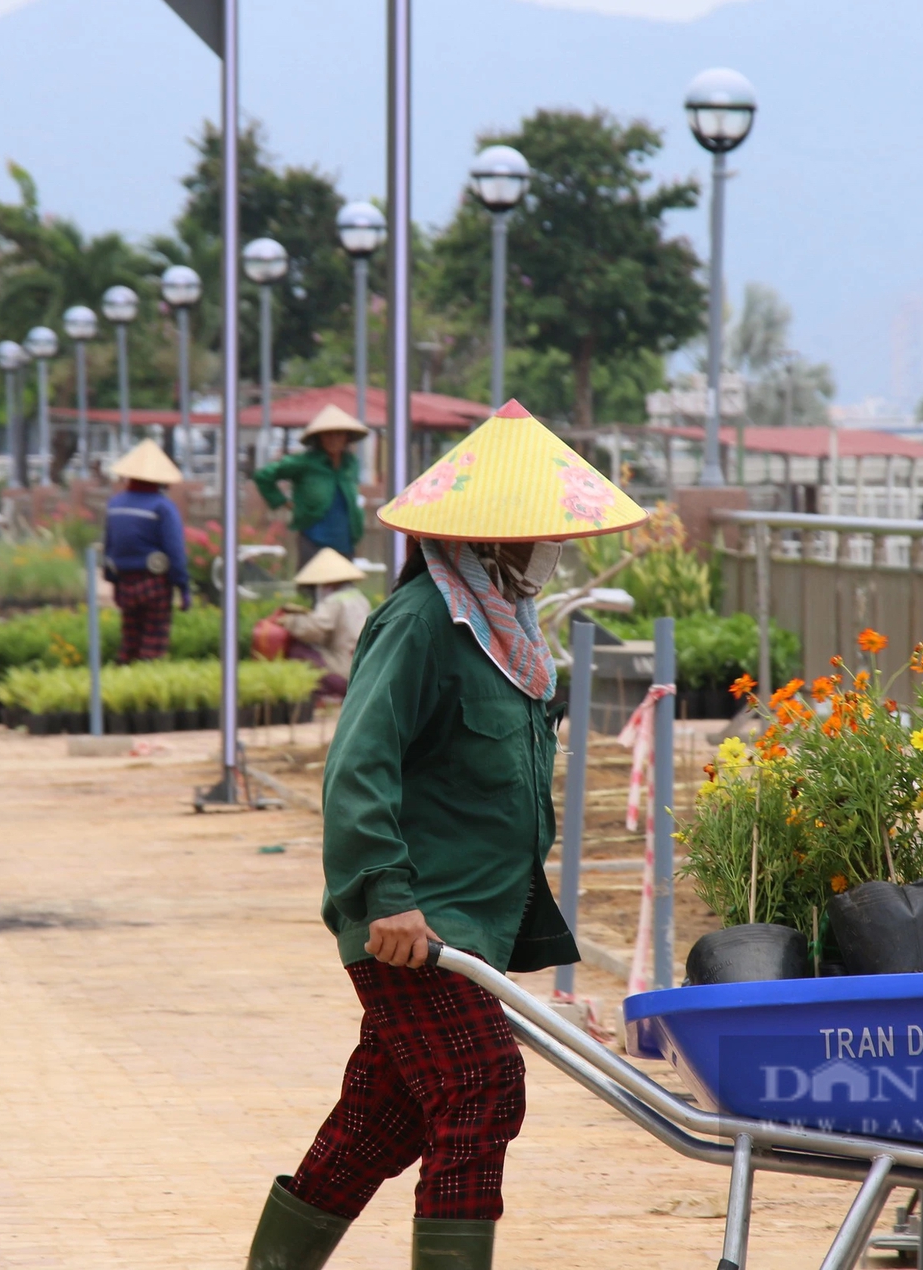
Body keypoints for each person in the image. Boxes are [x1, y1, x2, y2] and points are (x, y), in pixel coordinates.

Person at [242, 400, 646, 1270]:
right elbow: (359, 764)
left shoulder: (506, 631)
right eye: (540, 533)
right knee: (481, 1087)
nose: (554, 548)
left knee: (378, 1120)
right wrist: (386, 894)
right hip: (413, 922)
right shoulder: (425, 621)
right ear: (492, 536)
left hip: (473, 924)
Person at [102, 438, 190, 662]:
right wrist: (183, 587)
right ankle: (146, 688)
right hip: (155, 584)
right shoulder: (162, 507)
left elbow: (109, 546)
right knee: (153, 645)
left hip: (125, 583)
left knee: (129, 643)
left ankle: (122, 686)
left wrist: (113, 582)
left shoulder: (115, 504)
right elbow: (175, 551)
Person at [255, 404, 369, 569]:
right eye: (327, 435)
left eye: (338, 434)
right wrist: (283, 501)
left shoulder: (351, 464)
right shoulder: (304, 462)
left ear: (347, 437)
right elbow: (264, 476)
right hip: (314, 540)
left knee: (344, 591)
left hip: (346, 541)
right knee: (312, 589)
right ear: (318, 438)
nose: (333, 439)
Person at [275, 548, 371, 698]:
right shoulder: (360, 598)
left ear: (328, 583)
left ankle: (324, 694)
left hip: (343, 671)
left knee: (297, 651)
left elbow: (314, 629)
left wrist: (290, 621)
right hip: (362, 670)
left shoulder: (334, 601)